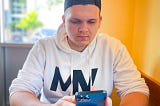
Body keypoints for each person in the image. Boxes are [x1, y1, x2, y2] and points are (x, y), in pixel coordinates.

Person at [9, 0, 149, 106]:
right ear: (64, 20)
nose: (83, 29)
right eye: (75, 21)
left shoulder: (113, 47)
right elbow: (18, 92)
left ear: (100, 21)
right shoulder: (44, 47)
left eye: (91, 22)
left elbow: (136, 89)